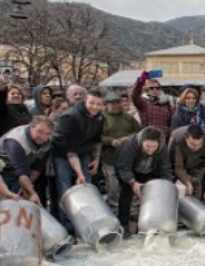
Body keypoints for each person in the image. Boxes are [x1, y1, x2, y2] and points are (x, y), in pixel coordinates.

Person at [51, 87, 105, 225]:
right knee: (66, 189)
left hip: (82, 151)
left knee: (87, 186)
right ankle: (67, 226)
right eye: (92, 103)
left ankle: (87, 223)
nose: (95, 107)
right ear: (85, 100)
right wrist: (79, 173)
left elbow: (97, 140)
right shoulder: (71, 117)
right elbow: (69, 149)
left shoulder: (99, 117)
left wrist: (96, 159)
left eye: (98, 104)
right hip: (62, 153)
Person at [115, 126, 173, 237]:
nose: (150, 150)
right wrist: (133, 182)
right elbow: (123, 167)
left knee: (151, 196)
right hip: (129, 170)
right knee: (126, 196)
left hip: (149, 171)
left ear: (159, 144)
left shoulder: (162, 147)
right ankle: (124, 226)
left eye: (153, 147)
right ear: (142, 142)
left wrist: (167, 186)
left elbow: (165, 168)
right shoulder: (129, 144)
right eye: (147, 146)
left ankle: (144, 227)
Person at [0, 116, 54, 204]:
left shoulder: (47, 143)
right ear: (31, 127)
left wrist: (27, 189)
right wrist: (32, 193)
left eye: (47, 134)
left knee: (19, 201)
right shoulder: (16, 141)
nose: (43, 137)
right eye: (40, 132)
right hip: (4, 170)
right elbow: (21, 172)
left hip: (20, 172)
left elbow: (37, 168)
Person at [101, 91, 140, 209]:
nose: (116, 105)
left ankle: (133, 208)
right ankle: (114, 207)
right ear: (107, 104)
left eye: (118, 102)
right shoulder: (102, 118)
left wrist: (128, 138)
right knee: (113, 184)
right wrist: (111, 141)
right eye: (113, 103)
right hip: (109, 157)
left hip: (128, 157)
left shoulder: (128, 117)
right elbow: (97, 136)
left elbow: (139, 131)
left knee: (130, 182)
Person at [169, 124, 205, 207]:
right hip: (178, 163)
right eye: (193, 144)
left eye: (199, 144)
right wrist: (187, 182)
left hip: (198, 163)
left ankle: (195, 210)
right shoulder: (176, 139)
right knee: (172, 187)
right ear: (186, 139)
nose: (196, 147)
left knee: (197, 186)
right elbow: (177, 167)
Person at [130, 71, 174, 138]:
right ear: (147, 90)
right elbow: (134, 96)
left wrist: (168, 132)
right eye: (151, 88)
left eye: (157, 88)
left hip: (163, 137)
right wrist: (140, 81)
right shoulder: (143, 101)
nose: (155, 90)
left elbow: (171, 122)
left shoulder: (166, 103)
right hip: (147, 137)